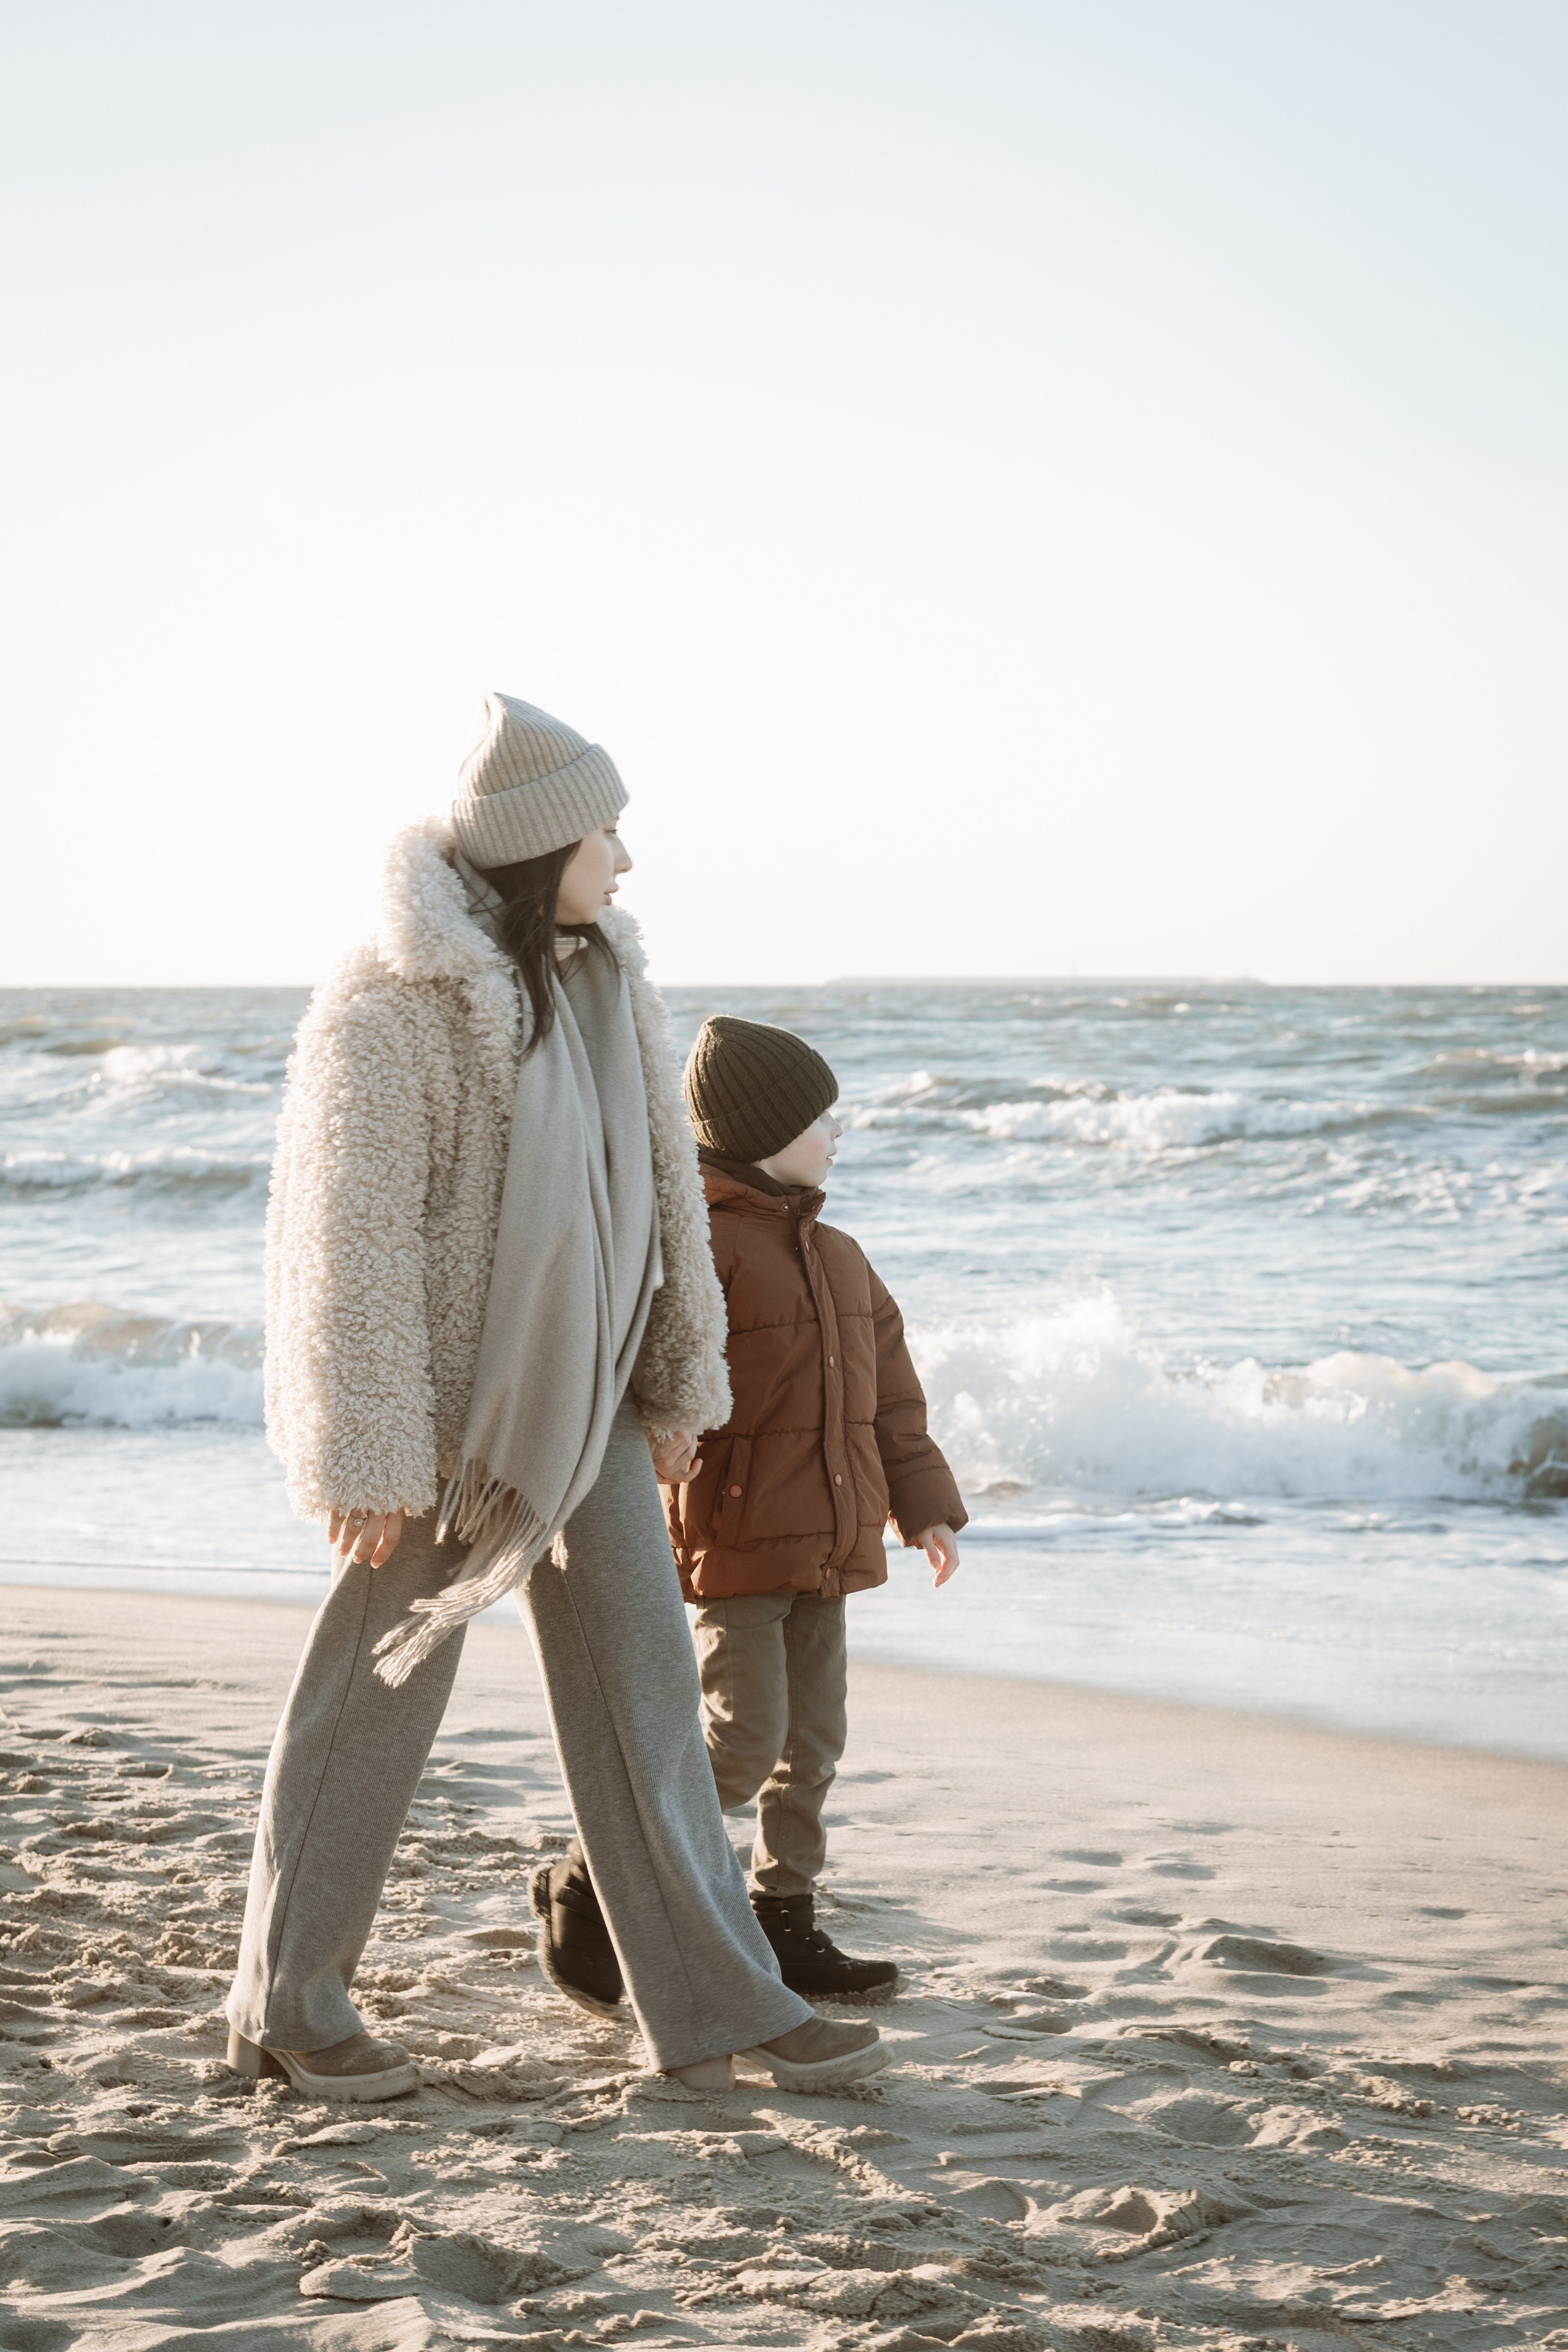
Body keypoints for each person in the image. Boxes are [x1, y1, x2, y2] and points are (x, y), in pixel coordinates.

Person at [225, 694, 886, 2101]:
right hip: (437, 1428)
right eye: (605, 833)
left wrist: (671, 1386)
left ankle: (715, 2004)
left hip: (579, 1404)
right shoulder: (389, 1002)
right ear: (539, 847)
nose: (627, 862)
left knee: (650, 1699)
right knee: (374, 1700)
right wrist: (366, 1447)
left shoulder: (603, 985)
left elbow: (652, 1207)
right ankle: (286, 2005)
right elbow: (349, 1237)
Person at [677, 1017, 967, 1996]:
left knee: (814, 1744)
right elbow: (662, 1386)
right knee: (742, 1738)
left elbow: (892, 1396)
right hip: (740, 1540)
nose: (836, 1134)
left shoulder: (843, 1254)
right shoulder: (699, 1248)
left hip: (833, 1540)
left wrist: (922, 1505)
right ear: (761, 1132)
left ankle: (784, 1917)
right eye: (819, 1119)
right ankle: (600, 1883)